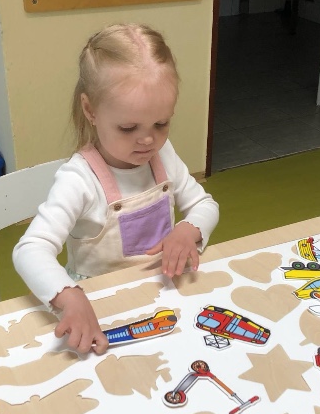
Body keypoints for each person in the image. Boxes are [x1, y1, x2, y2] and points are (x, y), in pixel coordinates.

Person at [13, 23, 219, 356]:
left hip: (161, 297)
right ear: (90, 110)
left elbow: (205, 204)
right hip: (100, 308)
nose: (148, 140)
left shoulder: (163, 155)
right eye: (128, 127)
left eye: (161, 123)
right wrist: (69, 297)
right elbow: (30, 249)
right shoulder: (79, 179)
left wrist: (187, 230)